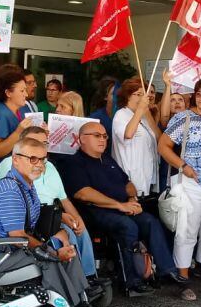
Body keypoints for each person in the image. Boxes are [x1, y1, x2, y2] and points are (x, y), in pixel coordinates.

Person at [0, 137, 107, 307]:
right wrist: (53, 252)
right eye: (33, 159)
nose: (39, 165)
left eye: (42, 160)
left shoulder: (27, 185)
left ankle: (82, 306)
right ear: (16, 159)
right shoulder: (10, 189)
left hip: (13, 252)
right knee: (51, 259)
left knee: (67, 252)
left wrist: (58, 233)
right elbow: (18, 237)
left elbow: (33, 224)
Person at [64, 121, 180, 296]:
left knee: (150, 221)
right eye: (97, 136)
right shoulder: (74, 162)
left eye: (104, 136)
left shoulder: (107, 159)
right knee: (128, 226)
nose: (102, 139)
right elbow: (83, 194)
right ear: (81, 139)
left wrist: (132, 200)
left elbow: (128, 183)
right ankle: (131, 281)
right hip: (95, 211)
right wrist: (120, 205)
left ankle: (167, 270)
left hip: (122, 207)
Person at [0, 126, 96, 278]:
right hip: (29, 219)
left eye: (44, 143)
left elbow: (63, 198)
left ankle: (88, 277)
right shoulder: (12, 164)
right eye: (35, 143)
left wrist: (77, 218)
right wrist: (60, 217)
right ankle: (74, 281)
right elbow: (22, 206)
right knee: (68, 233)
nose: (41, 147)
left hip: (50, 213)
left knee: (80, 229)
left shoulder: (49, 166)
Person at [158, 76, 201, 296]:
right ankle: (183, 280)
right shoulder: (184, 118)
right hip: (192, 181)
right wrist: (183, 165)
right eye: (198, 93)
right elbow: (163, 145)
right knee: (187, 232)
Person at [111, 77, 161, 197]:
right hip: (131, 177)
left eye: (145, 94)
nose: (144, 97)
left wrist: (148, 114)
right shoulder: (121, 114)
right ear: (128, 96)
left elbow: (159, 139)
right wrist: (140, 110)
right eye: (139, 94)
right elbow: (128, 134)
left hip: (149, 176)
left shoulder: (144, 115)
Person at [0, 64, 33, 173]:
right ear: (8, 93)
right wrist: (18, 132)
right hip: (1, 174)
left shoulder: (24, 108)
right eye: (22, 91)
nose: (26, 94)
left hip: (21, 171)